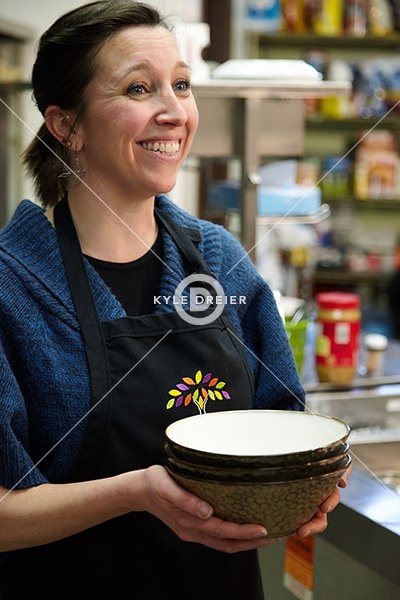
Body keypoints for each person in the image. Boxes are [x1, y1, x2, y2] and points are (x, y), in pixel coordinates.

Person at [0, 2, 350, 598]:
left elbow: (289, 423)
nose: (174, 111)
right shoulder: (13, 282)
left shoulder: (217, 257)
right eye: (140, 87)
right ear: (65, 124)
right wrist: (135, 493)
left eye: (181, 85)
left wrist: (303, 490)